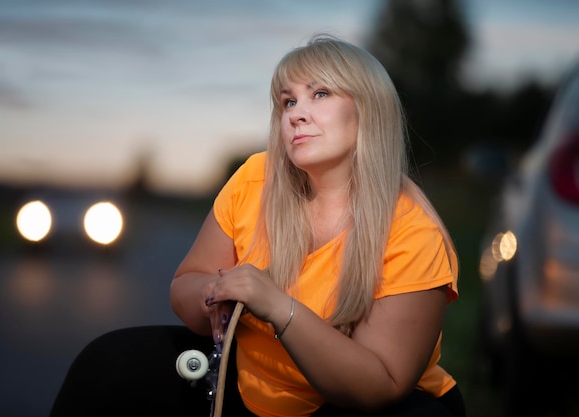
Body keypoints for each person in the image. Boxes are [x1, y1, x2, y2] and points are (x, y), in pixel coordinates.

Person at [50, 34, 465, 417]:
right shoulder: (256, 178)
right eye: (288, 102)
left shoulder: (413, 231)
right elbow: (186, 283)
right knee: (108, 363)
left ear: (369, 110)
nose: (297, 114)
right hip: (249, 385)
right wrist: (216, 294)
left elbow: (382, 384)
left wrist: (278, 308)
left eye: (319, 94)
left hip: (355, 404)